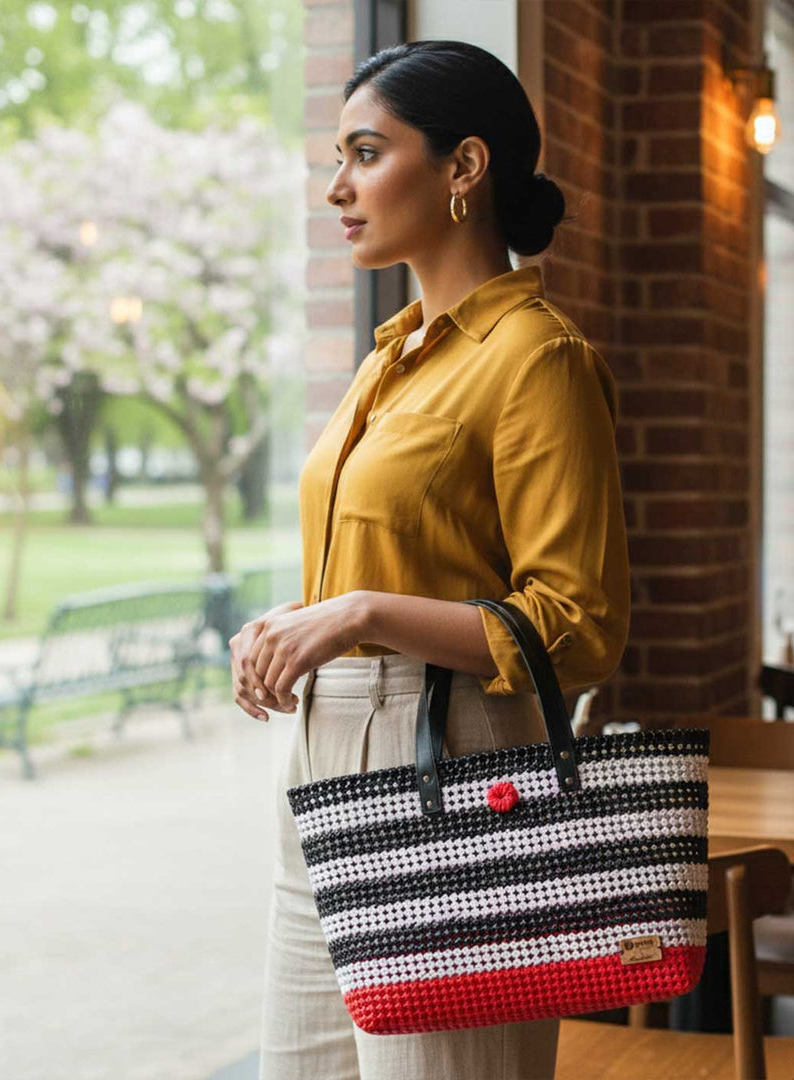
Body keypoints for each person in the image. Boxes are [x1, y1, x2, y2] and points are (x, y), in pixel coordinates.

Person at [228, 41, 630, 1080]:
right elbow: (394, 559)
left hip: (452, 756)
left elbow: (580, 628)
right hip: (321, 755)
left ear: (463, 168)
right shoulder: (391, 355)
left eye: (367, 153)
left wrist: (360, 612)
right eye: (338, 156)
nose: (336, 187)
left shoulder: (538, 357)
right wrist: (302, 621)